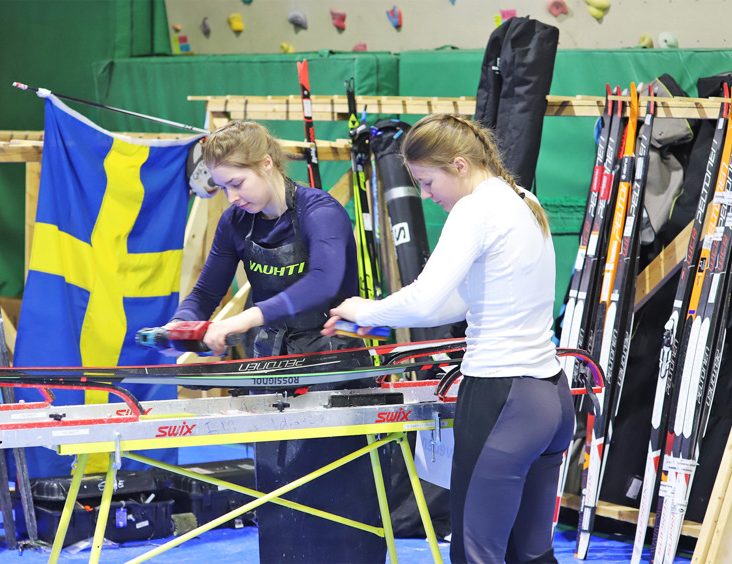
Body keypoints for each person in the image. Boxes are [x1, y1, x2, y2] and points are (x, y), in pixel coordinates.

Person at [323, 113, 574, 564]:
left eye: (426, 181)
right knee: (530, 554)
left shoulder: (474, 209)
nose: (425, 195)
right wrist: (374, 319)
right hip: (551, 399)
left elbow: (422, 301)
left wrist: (366, 307)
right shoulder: (521, 199)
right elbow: (461, 301)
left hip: (504, 400)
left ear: (459, 165)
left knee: (475, 556)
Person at [168, 120, 388, 563]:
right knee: (280, 493)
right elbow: (206, 293)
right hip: (271, 367)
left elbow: (324, 283)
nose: (232, 197)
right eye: (223, 187)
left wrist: (247, 316)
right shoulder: (235, 222)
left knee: (339, 492)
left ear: (266, 163)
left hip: (334, 364)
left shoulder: (320, 211)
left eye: (237, 183)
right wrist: (183, 323)